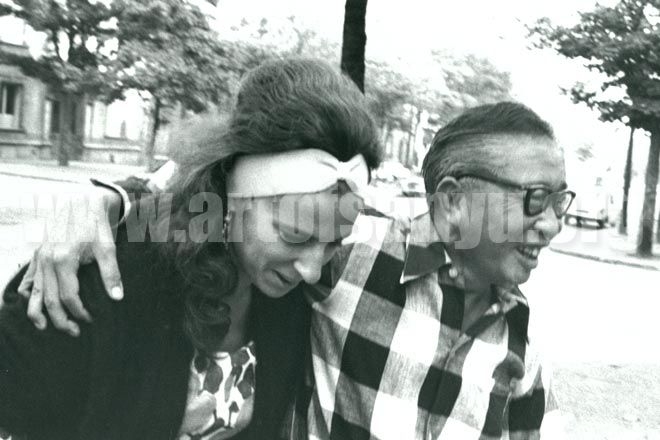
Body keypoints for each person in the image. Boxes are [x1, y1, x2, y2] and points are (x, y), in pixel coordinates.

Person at [17, 102, 574, 439]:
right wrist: (105, 198)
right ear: (451, 202)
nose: (551, 225)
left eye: (560, 202)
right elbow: (237, 185)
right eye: (534, 199)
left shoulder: (522, 347)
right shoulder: (357, 256)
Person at [0, 57, 382, 440]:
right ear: (233, 198)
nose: (312, 271)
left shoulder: (288, 298)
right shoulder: (104, 273)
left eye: (334, 243)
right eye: (294, 235)